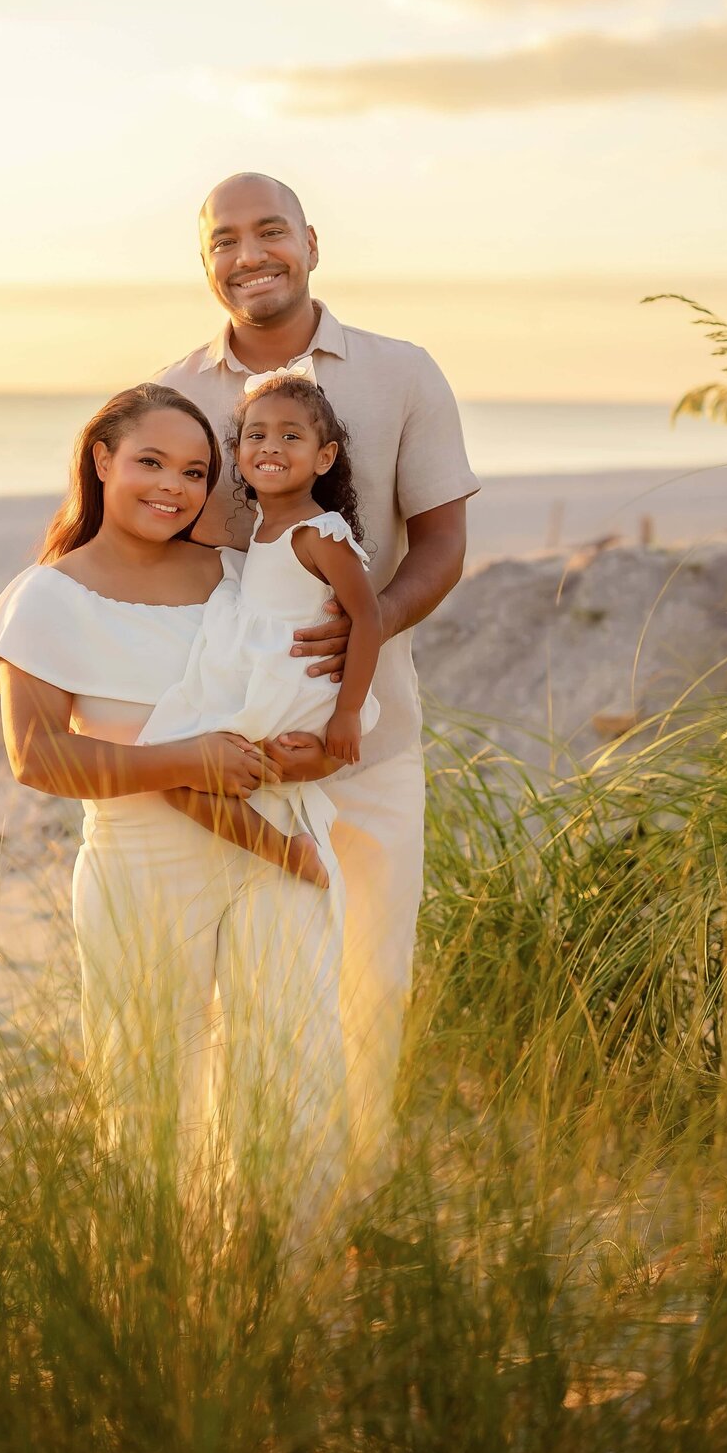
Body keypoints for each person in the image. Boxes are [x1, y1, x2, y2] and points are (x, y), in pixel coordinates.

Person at [154, 172, 481, 1180]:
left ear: (310, 242)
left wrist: (365, 630)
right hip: (232, 760)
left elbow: (439, 545)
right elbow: (160, 563)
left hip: (368, 746)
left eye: (270, 232)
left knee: (371, 981)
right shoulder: (174, 394)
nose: (249, 254)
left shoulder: (403, 372)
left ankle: (358, 1201)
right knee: (244, 996)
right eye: (224, 239)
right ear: (205, 261)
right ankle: (246, 1209)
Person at [0, 382, 348, 1229]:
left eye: (194, 471)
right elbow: (37, 759)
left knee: (288, 1075)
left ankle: (282, 1278)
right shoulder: (49, 597)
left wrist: (303, 752)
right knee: (149, 1100)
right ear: (102, 460)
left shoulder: (244, 578)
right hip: (140, 870)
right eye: (149, 463)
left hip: (270, 856)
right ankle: (158, 1293)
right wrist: (187, 759)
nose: (172, 488)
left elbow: (296, 695)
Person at [138, 367, 383, 898]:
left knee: (181, 773)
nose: (271, 446)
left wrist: (347, 715)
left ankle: (291, 853)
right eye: (257, 435)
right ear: (240, 452)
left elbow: (368, 617)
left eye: (290, 436)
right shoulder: (265, 519)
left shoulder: (319, 533)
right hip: (261, 672)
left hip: (292, 683)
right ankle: (281, 849)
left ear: (325, 458)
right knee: (183, 772)